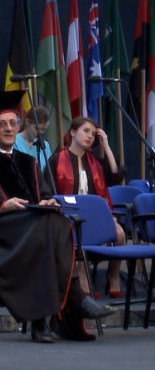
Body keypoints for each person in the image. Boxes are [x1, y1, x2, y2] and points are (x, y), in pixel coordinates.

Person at [0, 91, 116, 343]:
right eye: (1, 124)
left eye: (13, 123)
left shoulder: (28, 162)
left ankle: (47, 319)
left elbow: (44, 194)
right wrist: (2, 205)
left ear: (19, 126)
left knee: (56, 220)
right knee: (47, 228)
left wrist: (48, 200)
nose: (8, 129)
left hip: (32, 229)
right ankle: (70, 304)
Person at [49, 117, 126, 298]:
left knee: (120, 234)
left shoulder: (96, 161)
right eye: (86, 131)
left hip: (95, 217)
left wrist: (105, 145)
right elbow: (49, 191)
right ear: (73, 132)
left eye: (93, 134)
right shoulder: (57, 160)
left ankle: (113, 277)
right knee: (81, 235)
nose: (90, 136)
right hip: (68, 217)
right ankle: (82, 279)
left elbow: (115, 176)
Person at [13, 106, 52, 172]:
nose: (40, 133)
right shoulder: (14, 142)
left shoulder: (45, 145)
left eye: (43, 129)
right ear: (27, 122)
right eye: (37, 129)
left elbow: (48, 171)